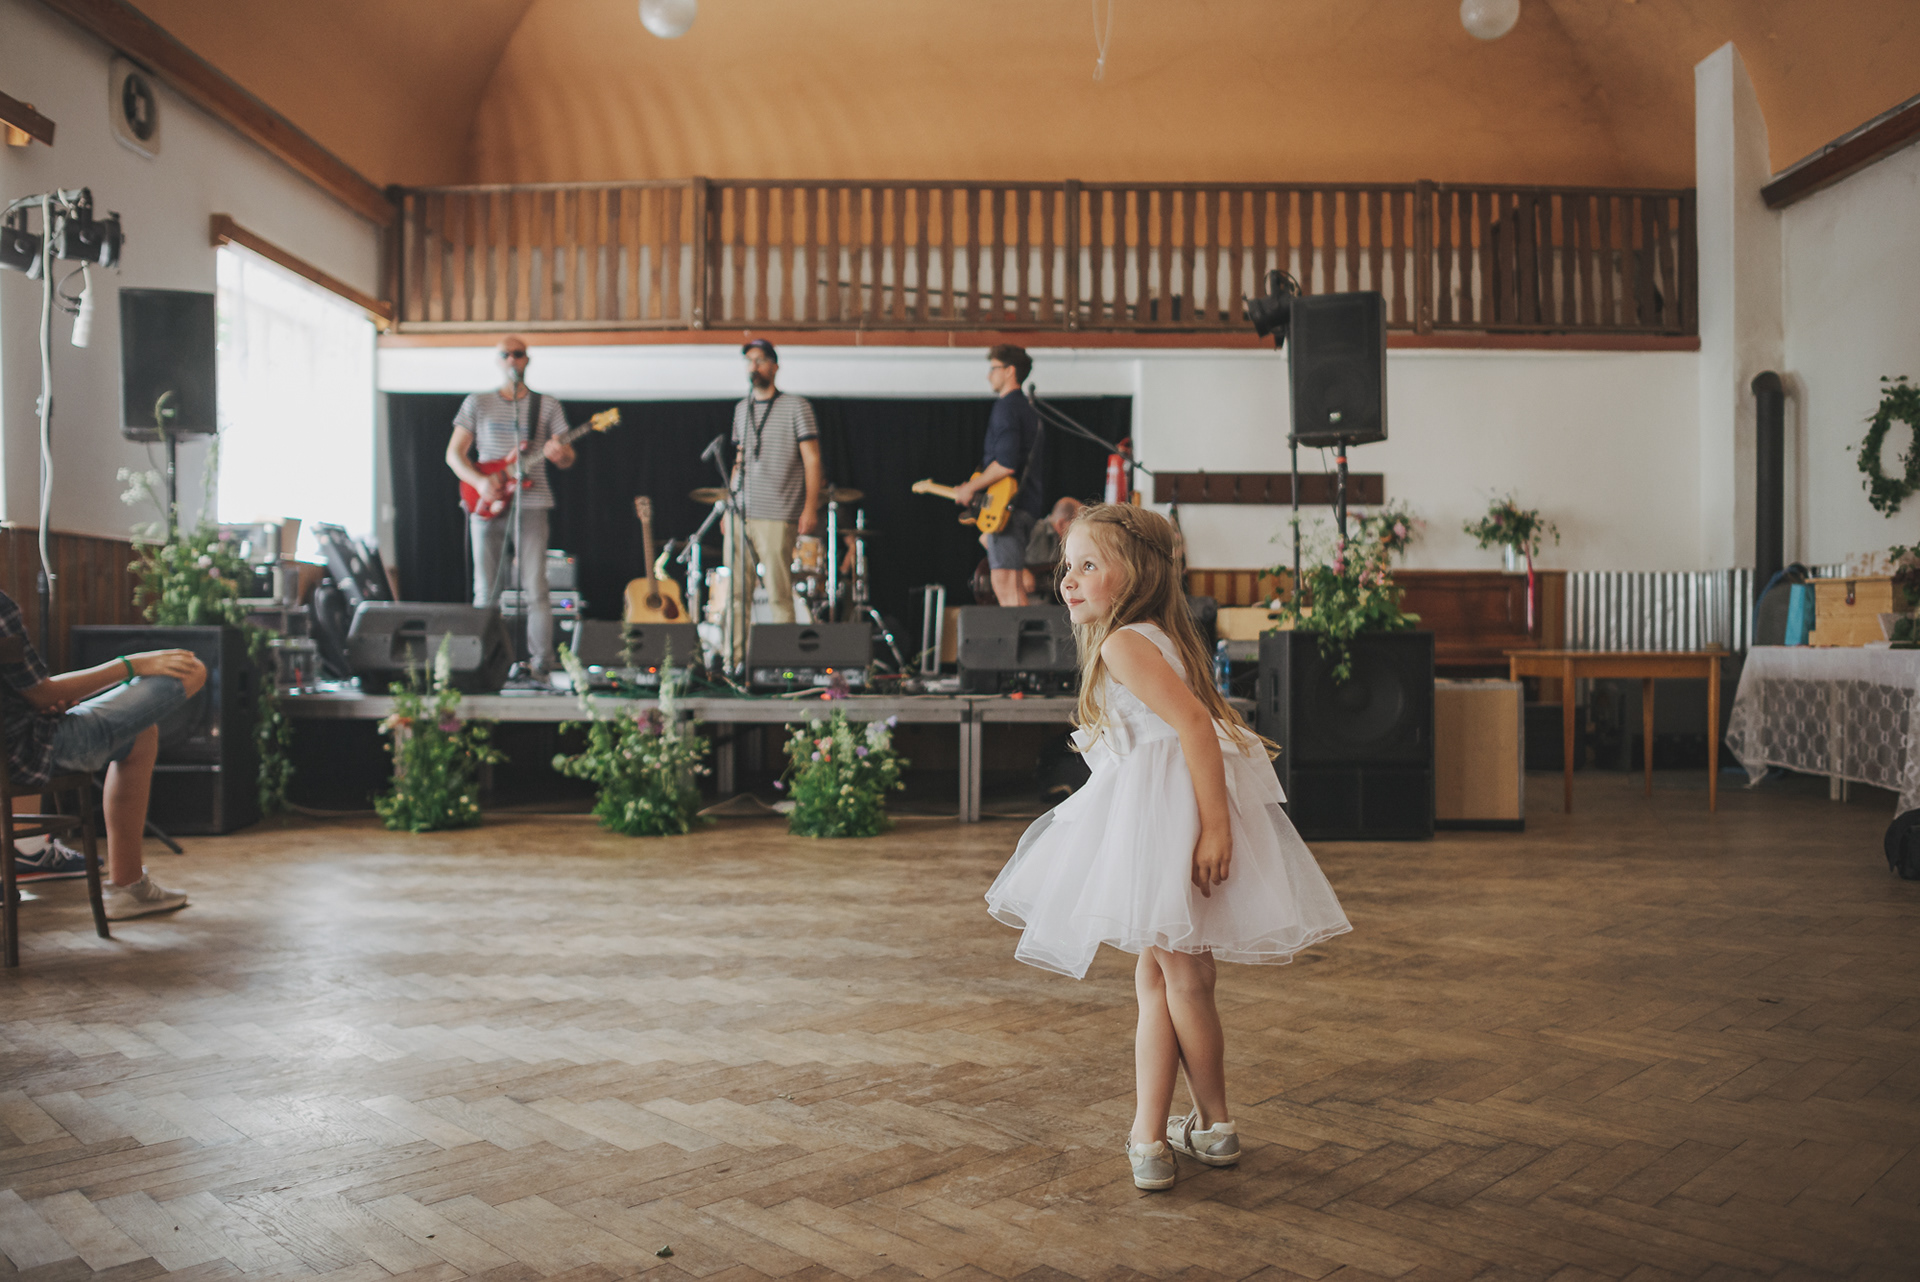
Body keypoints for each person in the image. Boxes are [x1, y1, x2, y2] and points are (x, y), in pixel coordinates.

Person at [983, 504, 1350, 1191]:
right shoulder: (1157, 635)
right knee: (1165, 979)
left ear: (1135, 574)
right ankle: (1175, 1130)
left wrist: (1214, 829)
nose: (1068, 580)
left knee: (1180, 981)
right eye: (1066, 567)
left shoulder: (1124, 643)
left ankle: (1184, 1131)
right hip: (1167, 816)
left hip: (1163, 824)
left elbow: (1196, 728)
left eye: (1088, 565)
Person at [0, 590, 206, 919]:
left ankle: (34, 852)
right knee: (190, 669)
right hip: (26, 750)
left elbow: (31, 694)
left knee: (141, 735)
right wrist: (131, 665)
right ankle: (128, 887)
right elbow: (42, 694)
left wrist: (35, 702)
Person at [446, 335, 575, 684]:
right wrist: (479, 482)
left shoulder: (546, 405)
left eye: (518, 354)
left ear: (527, 360)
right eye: (505, 354)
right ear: (498, 360)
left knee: (536, 588)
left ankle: (541, 665)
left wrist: (560, 453)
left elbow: (567, 457)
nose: (512, 360)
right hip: (487, 502)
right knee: (486, 591)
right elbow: (454, 454)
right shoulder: (477, 402)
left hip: (532, 503)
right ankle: (483, 662)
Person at [727, 339, 822, 652]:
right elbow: (739, 460)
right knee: (735, 595)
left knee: (779, 594)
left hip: (778, 513)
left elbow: (812, 459)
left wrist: (810, 508)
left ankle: (784, 663)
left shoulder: (797, 406)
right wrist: (729, 506)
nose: (754, 366)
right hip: (741, 512)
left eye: (760, 360)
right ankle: (734, 661)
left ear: (775, 367)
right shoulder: (741, 409)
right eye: (749, 361)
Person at [953, 345, 1044, 606]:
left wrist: (970, 488)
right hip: (1022, 504)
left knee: (1006, 583)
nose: (988, 375)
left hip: (1010, 508)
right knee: (1010, 582)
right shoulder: (1026, 409)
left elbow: (1005, 464)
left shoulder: (1007, 408)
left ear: (1010, 371)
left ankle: (1021, 635)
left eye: (993, 369)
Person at [1022, 496, 1084, 600]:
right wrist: (1021, 570)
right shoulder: (1034, 532)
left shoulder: (1073, 543)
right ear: (1061, 524)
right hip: (1029, 598)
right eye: (1075, 526)